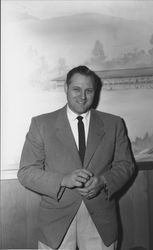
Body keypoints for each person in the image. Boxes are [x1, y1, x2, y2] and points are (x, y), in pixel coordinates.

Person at [18, 65, 136, 250]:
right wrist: (63, 180)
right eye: (76, 89)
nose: (82, 96)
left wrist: (103, 182)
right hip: (55, 223)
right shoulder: (41, 124)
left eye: (88, 90)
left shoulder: (114, 123)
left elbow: (126, 166)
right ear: (66, 88)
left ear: (95, 92)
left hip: (101, 220)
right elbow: (26, 172)